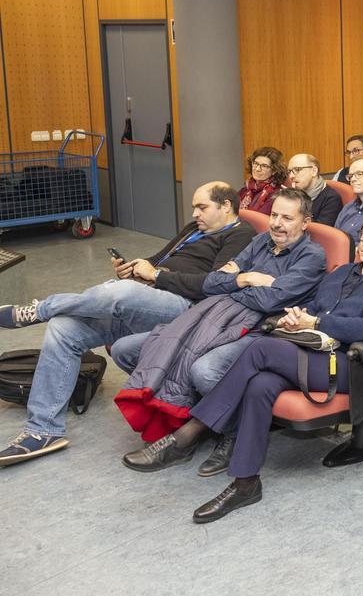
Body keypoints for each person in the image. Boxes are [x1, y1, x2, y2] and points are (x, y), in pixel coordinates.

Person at [124, 211, 363, 522]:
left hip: (351, 366)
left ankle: (189, 434)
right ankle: (246, 483)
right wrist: (295, 318)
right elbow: (313, 307)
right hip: (311, 351)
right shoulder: (343, 272)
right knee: (260, 385)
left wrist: (317, 321)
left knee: (261, 348)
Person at [0, 183, 254, 466]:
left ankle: (39, 309)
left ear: (227, 206)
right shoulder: (193, 229)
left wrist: (156, 276)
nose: (195, 213)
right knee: (63, 328)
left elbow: (213, 287)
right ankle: (43, 430)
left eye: (202, 207)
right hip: (146, 299)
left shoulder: (240, 235)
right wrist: (133, 268)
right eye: (194, 207)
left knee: (120, 293)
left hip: (187, 309)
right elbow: (158, 260)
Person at [115, 188, 327, 453]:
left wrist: (234, 285)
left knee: (204, 371)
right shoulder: (261, 241)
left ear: (305, 222)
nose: (276, 223)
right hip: (214, 313)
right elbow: (212, 281)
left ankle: (235, 431)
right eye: (273, 215)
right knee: (125, 350)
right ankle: (193, 413)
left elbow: (271, 302)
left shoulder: (311, 256)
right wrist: (246, 279)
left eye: (287, 218)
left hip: (259, 329)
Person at [286, 154, 341, 226]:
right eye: (289, 171)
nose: (291, 176)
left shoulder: (331, 198)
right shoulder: (293, 195)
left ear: (314, 171)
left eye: (297, 169)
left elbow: (320, 233)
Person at [239, 146, 284, 215]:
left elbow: (260, 218)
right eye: (256, 163)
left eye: (264, 166)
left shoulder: (276, 194)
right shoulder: (244, 190)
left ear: (274, 170)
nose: (257, 169)